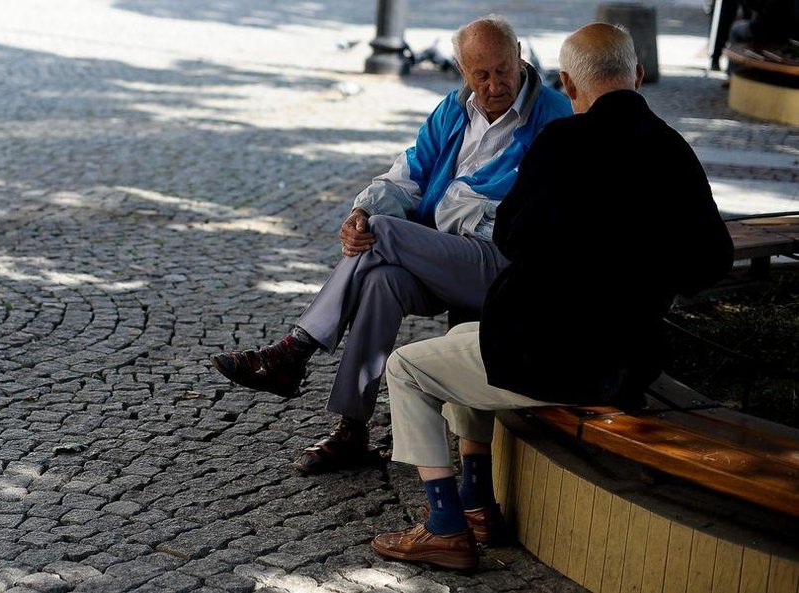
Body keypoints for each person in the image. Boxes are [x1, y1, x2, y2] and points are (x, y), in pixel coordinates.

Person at [370, 23, 734, 571]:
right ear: (636, 75)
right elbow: (711, 261)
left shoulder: (561, 142)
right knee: (467, 337)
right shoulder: (673, 149)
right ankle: (476, 503)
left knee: (407, 368)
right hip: (629, 362)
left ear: (567, 82)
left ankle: (444, 527)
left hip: (548, 359)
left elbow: (513, 237)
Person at [210, 16, 572, 474]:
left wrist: (395, 223)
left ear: (519, 52)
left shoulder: (554, 118)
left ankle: (294, 350)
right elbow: (409, 173)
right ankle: (352, 431)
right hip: (442, 256)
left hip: (504, 266)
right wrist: (361, 212)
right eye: (481, 74)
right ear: (462, 70)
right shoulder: (454, 108)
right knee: (381, 279)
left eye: (503, 69)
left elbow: (522, 213)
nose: (495, 84)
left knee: (383, 232)